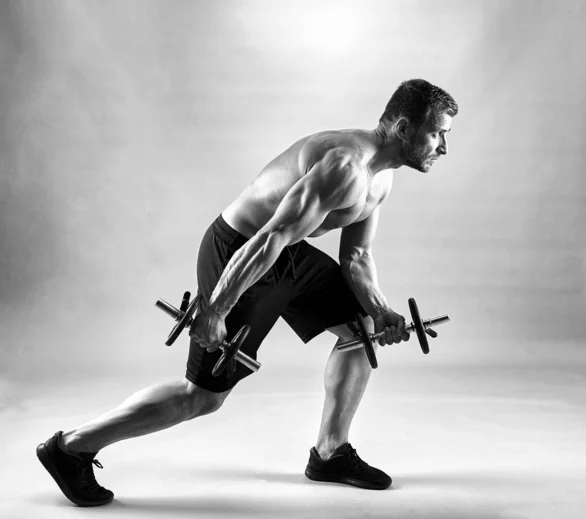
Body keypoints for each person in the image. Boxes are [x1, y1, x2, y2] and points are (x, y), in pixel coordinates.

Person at [36, 78, 458, 506]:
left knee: (361, 330)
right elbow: (270, 236)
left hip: (285, 252)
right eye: (438, 133)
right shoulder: (344, 166)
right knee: (201, 398)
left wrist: (381, 309)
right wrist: (216, 309)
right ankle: (70, 447)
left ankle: (330, 452)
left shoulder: (380, 178)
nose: (443, 146)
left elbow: (356, 256)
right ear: (404, 128)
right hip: (240, 248)